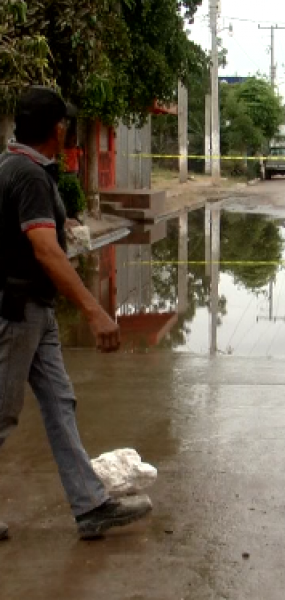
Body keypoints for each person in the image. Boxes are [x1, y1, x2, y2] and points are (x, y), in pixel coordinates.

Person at [0, 87, 151, 541]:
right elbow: (45, 252)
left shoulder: (20, 168)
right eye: (64, 123)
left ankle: (90, 507)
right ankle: (89, 504)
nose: (67, 128)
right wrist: (94, 310)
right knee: (2, 415)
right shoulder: (26, 175)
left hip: (37, 312)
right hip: (18, 311)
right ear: (56, 129)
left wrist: (65, 227)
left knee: (60, 405)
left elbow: (34, 235)